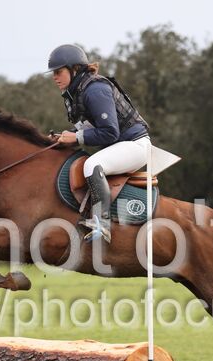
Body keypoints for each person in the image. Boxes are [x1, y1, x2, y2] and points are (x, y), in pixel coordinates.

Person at [48, 44, 151, 243]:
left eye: (58, 71)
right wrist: (66, 136)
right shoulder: (77, 92)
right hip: (122, 145)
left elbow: (110, 132)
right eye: (53, 73)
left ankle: (102, 224)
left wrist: (76, 138)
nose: (54, 77)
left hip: (135, 145)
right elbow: (88, 127)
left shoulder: (95, 90)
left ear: (74, 69)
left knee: (92, 165)